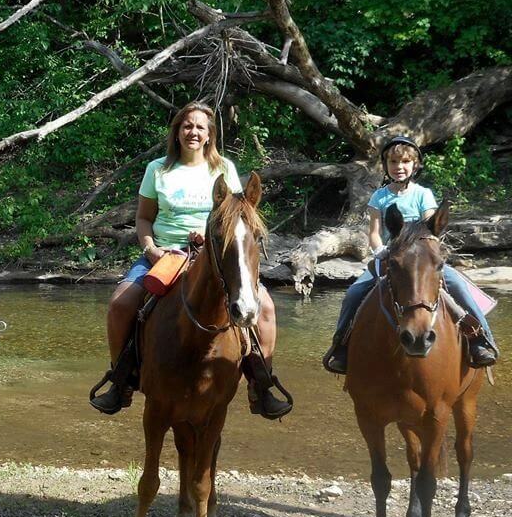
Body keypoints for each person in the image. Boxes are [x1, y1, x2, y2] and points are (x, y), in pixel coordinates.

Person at [89, 101, 293, 420]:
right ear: (177, 132)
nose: (193, 132)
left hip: (215, 256)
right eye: (187, 126)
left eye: (200, 127)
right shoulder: (157, 169)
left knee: (264, 307)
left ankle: (262, 383)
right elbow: (143, 218)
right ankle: (121, 378)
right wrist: (150, 248)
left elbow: (239, 214)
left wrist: (209, 235)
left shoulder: (223, 168)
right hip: (166, 254)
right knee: (120, 304)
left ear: (209, 134)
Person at [323, 135, 498, 373]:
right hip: (391, 257)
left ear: (414, 165)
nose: (399, 167)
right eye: (394, 162)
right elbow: (374, 232)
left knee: (459, 286)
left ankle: (481, 340)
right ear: (386, 165)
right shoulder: (379, 197)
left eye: (405, 162)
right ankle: (341, 347)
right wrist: (379, 249)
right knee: (354, 293)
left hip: (422, 258)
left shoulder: (423, 194)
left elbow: (430, 226)